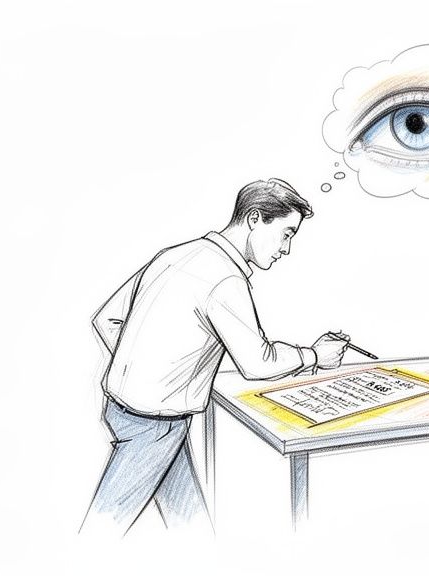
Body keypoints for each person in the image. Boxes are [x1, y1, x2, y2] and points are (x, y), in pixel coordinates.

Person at [80, 178, 349, 535]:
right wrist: (315, 354)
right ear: (254, 219)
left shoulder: (175, 255)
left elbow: (107, 319)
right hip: (154, 423)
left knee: (190, 527)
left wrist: (148, 362)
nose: (286, 248)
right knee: (100, 533)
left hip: (128, 412)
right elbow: (258, 363)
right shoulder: (225, 278)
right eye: (286, 233)